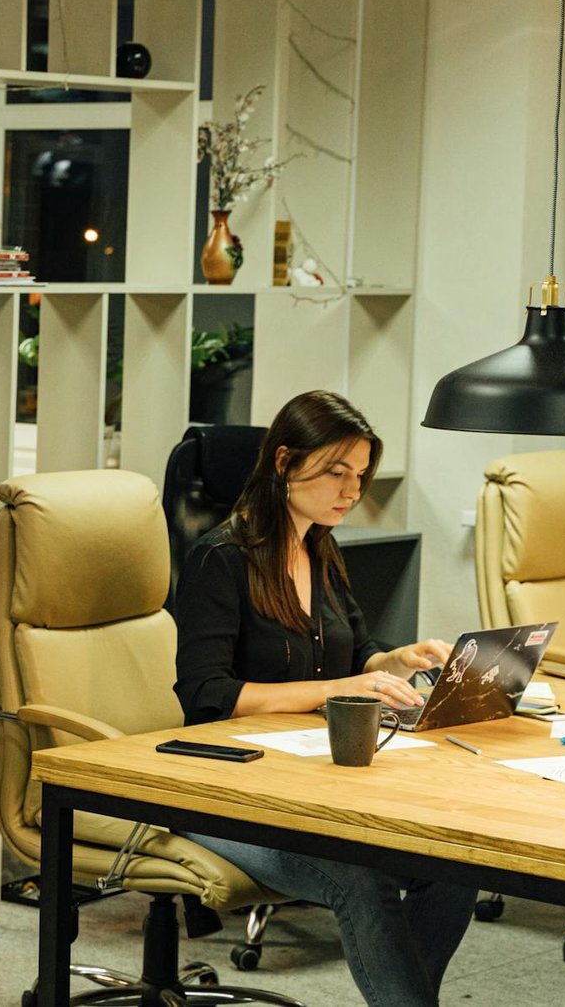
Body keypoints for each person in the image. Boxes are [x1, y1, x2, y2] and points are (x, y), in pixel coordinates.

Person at [173, 389, 474, 1007]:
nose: (351, 490)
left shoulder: (320, 548)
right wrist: (341, 687)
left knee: (453, 864)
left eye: (360, 475)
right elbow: (209, 696)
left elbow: (353, 650)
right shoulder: (221, 558)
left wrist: (391, 662)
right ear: (285, 462)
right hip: (227, 795)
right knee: (357, 877)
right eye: (337, 471)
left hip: (309, 783)